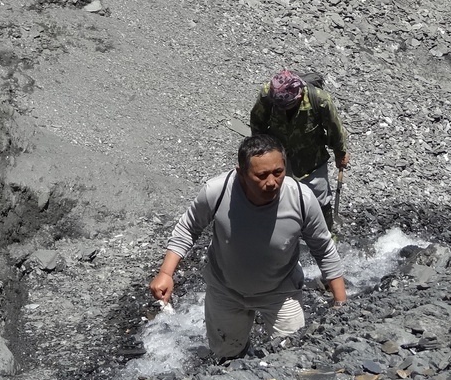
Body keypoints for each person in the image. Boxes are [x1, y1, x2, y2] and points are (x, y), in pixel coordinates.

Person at [148, 135, 346, 360]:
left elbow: (323, 247)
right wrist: (166, 273)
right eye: (261, 175)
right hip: (226, 290)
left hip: (281, 291)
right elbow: (188, 228)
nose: (271, 182)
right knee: (226, 356)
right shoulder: (218, 191)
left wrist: (340, 304)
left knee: (292, 356)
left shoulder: (301, 198)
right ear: (241, 173)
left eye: (278, 172)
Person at [250, 70, 350, 232]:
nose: (283, 110)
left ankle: (326, 235)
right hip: (278, 156)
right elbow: (257, 122)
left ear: (298, 96)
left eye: (287, 106)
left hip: (312, 158)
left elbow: (334, 129)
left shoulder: (320, 100)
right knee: (277, 196)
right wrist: (260, 154)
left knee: (319, 199)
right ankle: (280, 234)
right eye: (280, 107)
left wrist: (340, 153)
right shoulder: (268, 94)